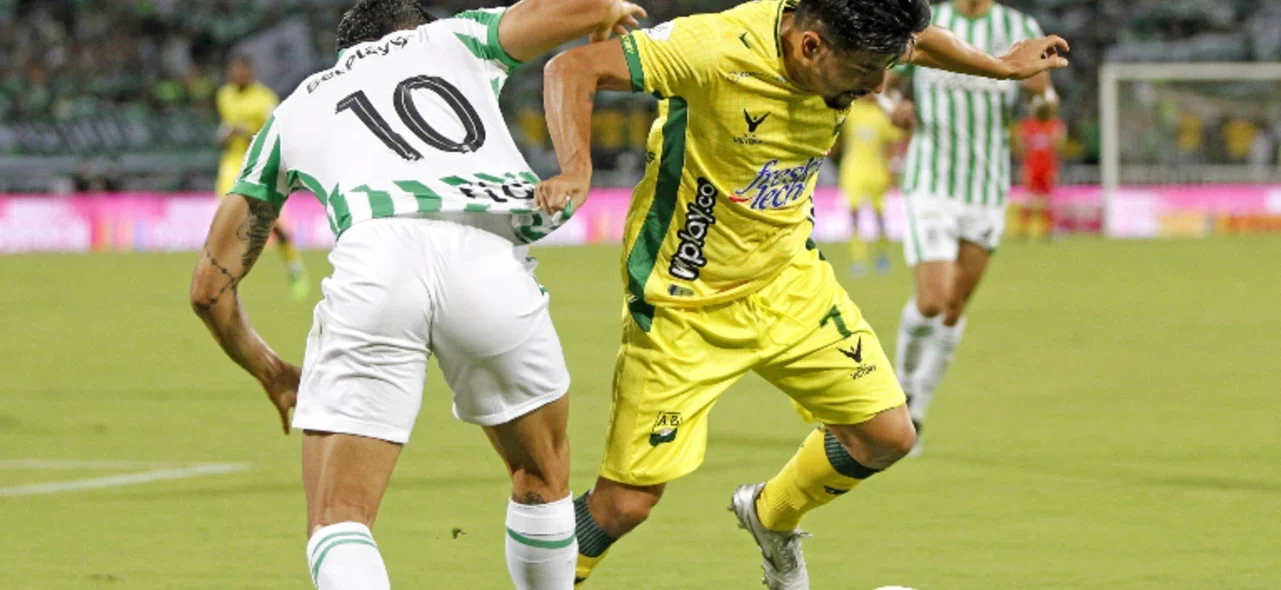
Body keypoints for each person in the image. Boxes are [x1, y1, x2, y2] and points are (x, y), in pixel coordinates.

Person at [535, 0, 1068, 586]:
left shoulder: (855, 31)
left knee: (887, 435)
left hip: (788, 279)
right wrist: (575, 167)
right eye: (866, 72)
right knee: (624, 506)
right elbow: (571, 69)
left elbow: (924, 42)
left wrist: (999, 66)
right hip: (682, 298)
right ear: (811, 47)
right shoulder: (713, 47)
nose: (875, 87)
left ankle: (770, 516)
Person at [188, 0, 645, 588]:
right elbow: (560, 12)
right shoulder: (456, 36)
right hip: (490, 257)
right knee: (542, 481)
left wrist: (272, 371)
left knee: (339, 520)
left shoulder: (298, 105)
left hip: (375, 261)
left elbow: (208, 291)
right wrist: (602, 8)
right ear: (417, 29)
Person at [889, 0, 1061, 455]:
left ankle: (918, 411)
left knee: (954, 307)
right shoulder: (928, 19)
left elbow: (1044, 104)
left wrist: (1042, 98)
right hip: (932, 183)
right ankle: (898, 393)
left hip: (985, 190)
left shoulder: (1018, 28)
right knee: (932, 298)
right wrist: (895, 108)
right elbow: (887, 85)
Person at [215, 55, 310, 300]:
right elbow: (222, 132)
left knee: (274, 225)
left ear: (251, 72)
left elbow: (274, 134)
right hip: (232, 164)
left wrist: (246, 134)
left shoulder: (265, 98)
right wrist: (225, 135)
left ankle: (294, 268)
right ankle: (226, 277)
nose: (237, 75)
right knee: (228, 218)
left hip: (258, 164)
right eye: (233, 70)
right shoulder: (224, 95)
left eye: (242, 70)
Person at [839, 93, 909, 276]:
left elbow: (892, 143)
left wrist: (893, 168)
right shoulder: (852, 110)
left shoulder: (882, 114)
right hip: (853, 170)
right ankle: (859, 259)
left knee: (879, 217)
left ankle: (882, 256)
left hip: (877, 170)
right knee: (854, 215)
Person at [1014, 95, 1066, 240]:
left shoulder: (1054, 124)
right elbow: (1021, 147)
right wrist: (1024, 166)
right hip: (1032, 167)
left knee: (1048, 200)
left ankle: (1048, 231)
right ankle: (1023, 230)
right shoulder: (1027, 125)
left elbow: (1058, 147)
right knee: (1029, 199)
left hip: (1048, 167)